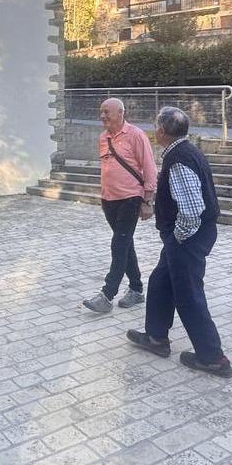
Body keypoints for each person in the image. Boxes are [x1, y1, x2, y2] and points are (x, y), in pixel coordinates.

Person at [126, 106, 232, 378]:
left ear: (161, 131)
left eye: (155, 127)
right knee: (161, 279)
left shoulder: (179, 158)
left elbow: (192, 208)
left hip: (188, 236)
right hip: (189, 235)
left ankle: (213, 358)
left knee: (188, 295)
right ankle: (156, 337)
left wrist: (178, 237)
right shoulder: (186, 151)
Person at [82, 97, 158, 313]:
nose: (102, 116)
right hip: (109, 199)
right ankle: (136, 289)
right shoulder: (103, 137)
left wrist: (147, 200)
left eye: (107, 112)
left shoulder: (135, 135)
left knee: (119, 244)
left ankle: (107, 295)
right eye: (101, 111)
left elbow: (149, 168)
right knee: (125, 243)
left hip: (130, 198)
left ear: (121, 113)